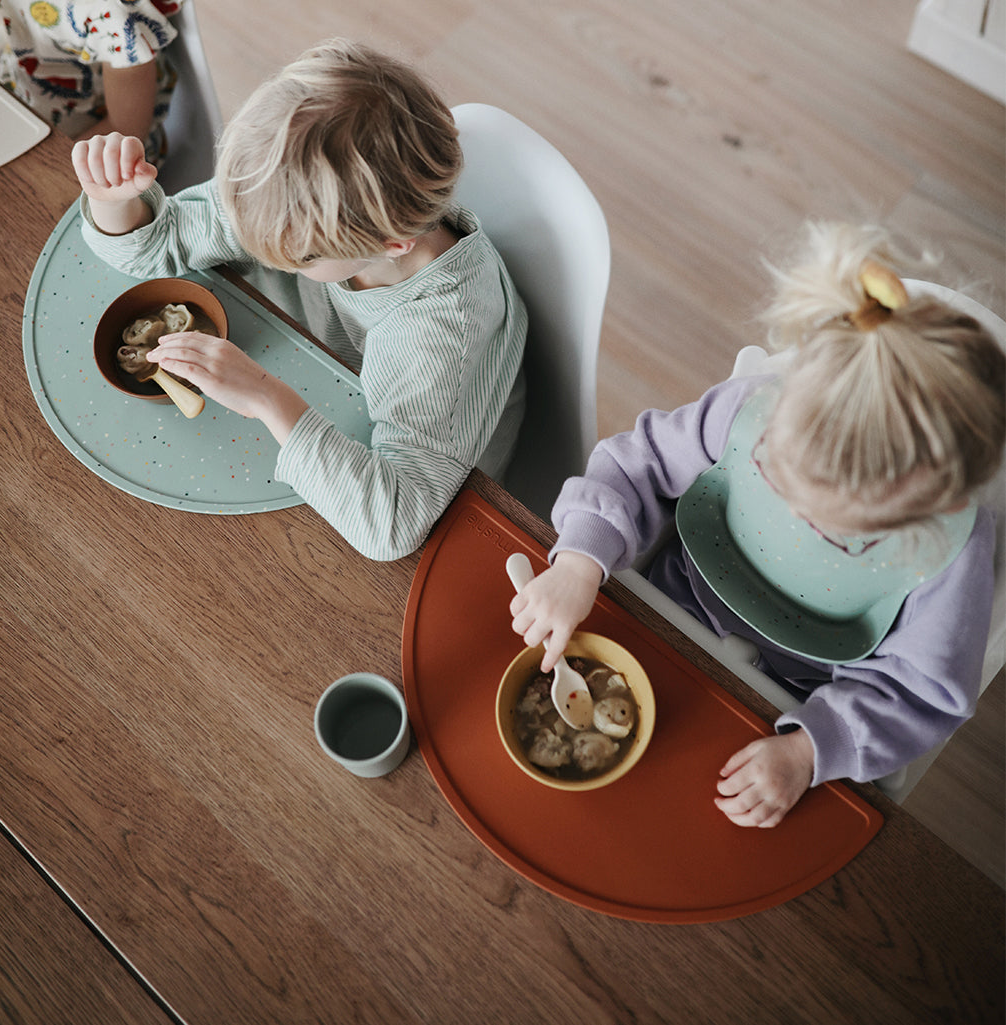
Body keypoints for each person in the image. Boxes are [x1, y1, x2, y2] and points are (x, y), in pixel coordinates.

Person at [509, 221, 1004, 828]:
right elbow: (635, 466)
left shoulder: (952, 551)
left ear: (922, 508)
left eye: (831, 521)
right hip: (666, 610)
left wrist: (809, 749)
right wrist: (580, 562)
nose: (796, 516)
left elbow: (920, 691)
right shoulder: (751, 408)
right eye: (780, 476)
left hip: (797, 705)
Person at [70, 38, 527, 561]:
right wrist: (115, 202)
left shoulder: (443, 332)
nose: (267, 255)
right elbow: (155, 244)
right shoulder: (283, 190)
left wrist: (265, 395)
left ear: (391, 246)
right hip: (318, 383)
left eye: (296, 260)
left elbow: (391, 525)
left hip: (446, 510)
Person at [0, 0, 184, 164]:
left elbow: (127, 130)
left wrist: (39, 172)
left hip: (97, 154)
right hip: (18, 104)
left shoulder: (105, 12)